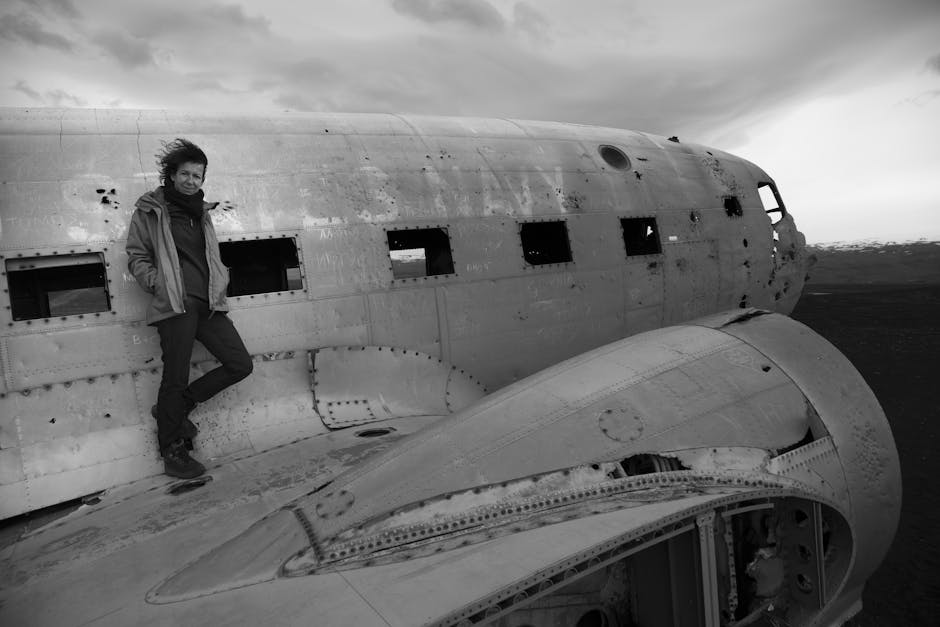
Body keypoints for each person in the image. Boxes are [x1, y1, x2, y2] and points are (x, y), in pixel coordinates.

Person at [126, 139, 252, 479]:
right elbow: (137, 255)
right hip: (175, 306)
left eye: (197, 175)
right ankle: (172, 451)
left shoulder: (202, 213)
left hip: (208, 304)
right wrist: (159, 284)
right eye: (185, 174)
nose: (191, 181)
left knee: (240, 364)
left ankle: (177, 407)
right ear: (171, 174)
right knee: (175, 377)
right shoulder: (151, 210)